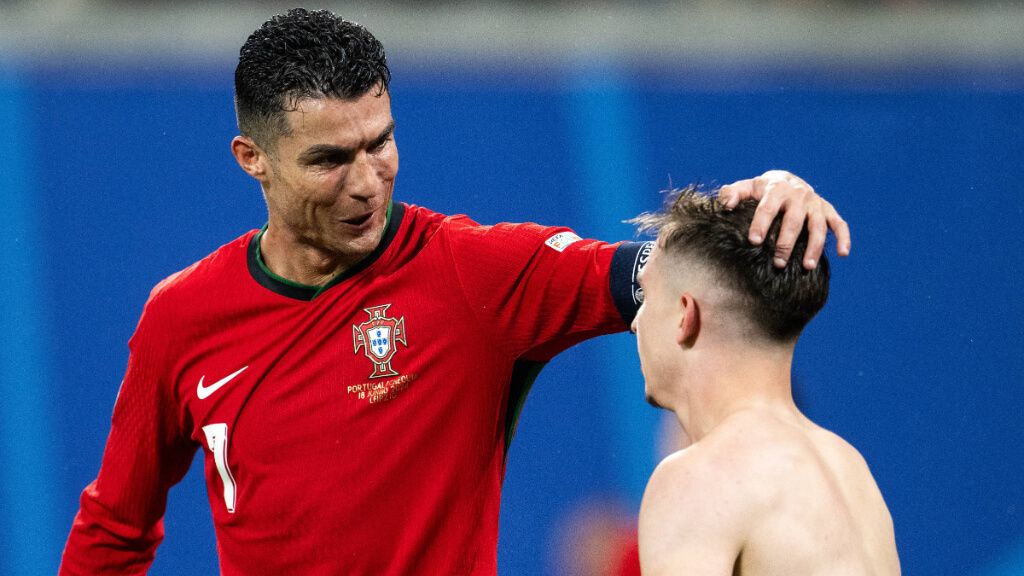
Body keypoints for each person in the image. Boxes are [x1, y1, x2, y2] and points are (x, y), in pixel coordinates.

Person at [59, 9, 851, 576]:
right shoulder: (181, 318)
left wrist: (752, 208)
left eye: (383, 142)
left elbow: (664, 278)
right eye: (331, 159)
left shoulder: (474, 274)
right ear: (251, 158)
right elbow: (113, 531)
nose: (369, 181)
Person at [630, 187, 898, 575]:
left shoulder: (698, 478)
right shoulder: (850, 469)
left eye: (646, 295)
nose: (635, 321)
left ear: (684, 315)